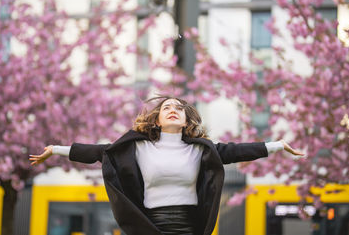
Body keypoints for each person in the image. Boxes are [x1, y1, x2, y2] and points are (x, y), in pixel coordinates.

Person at [29, 96, 304, 235]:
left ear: (186, 120)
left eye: (179, 108)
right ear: (157, 119)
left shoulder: (200, 150)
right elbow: (99, 152)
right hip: (149, 225)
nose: (173, 109)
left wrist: (276, 145)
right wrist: (56, 150)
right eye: (166, 108)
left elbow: (235, 151)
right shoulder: (138, 147)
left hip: (189, 226)